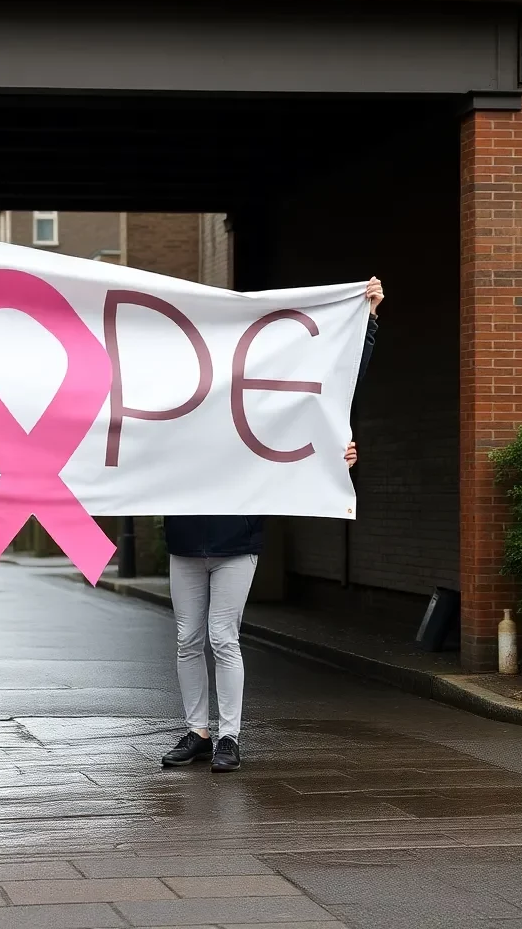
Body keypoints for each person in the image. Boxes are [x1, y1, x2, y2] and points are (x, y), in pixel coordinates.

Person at [161, 277, 384, 773]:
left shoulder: (252, 409)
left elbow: (324, 390)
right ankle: (198, 731)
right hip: (184, 542)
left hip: (237, 543)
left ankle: (229, 738)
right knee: (187, 639)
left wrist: (365, 324)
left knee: (223, 637)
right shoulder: (175, 412)